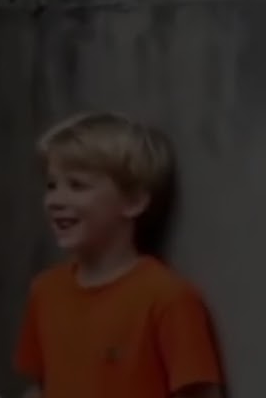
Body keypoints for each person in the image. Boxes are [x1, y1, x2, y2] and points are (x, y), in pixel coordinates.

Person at [14, 113, 225, 398]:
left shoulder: (168, 298)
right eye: (52, 185)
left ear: (134, 201)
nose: (56, 200)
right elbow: (41, 388)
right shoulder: (45, 292)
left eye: (77, 185)